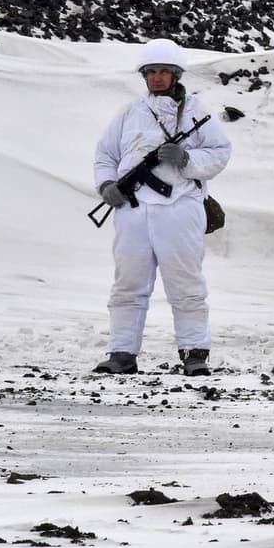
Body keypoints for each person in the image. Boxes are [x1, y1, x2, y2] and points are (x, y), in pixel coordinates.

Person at [92, 38, 232, 375]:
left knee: (185, 283)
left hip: (180, 207)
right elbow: (105, 155)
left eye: (163, 72)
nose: (156, 78)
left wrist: (187, 159)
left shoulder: (197, 113)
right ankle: (122, 354)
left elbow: (219, 152)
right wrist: (108, 185)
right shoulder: (129, 112)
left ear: (175, 75)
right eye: (150, 72)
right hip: (133, 210)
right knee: (128, 283)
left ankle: (194, 353)